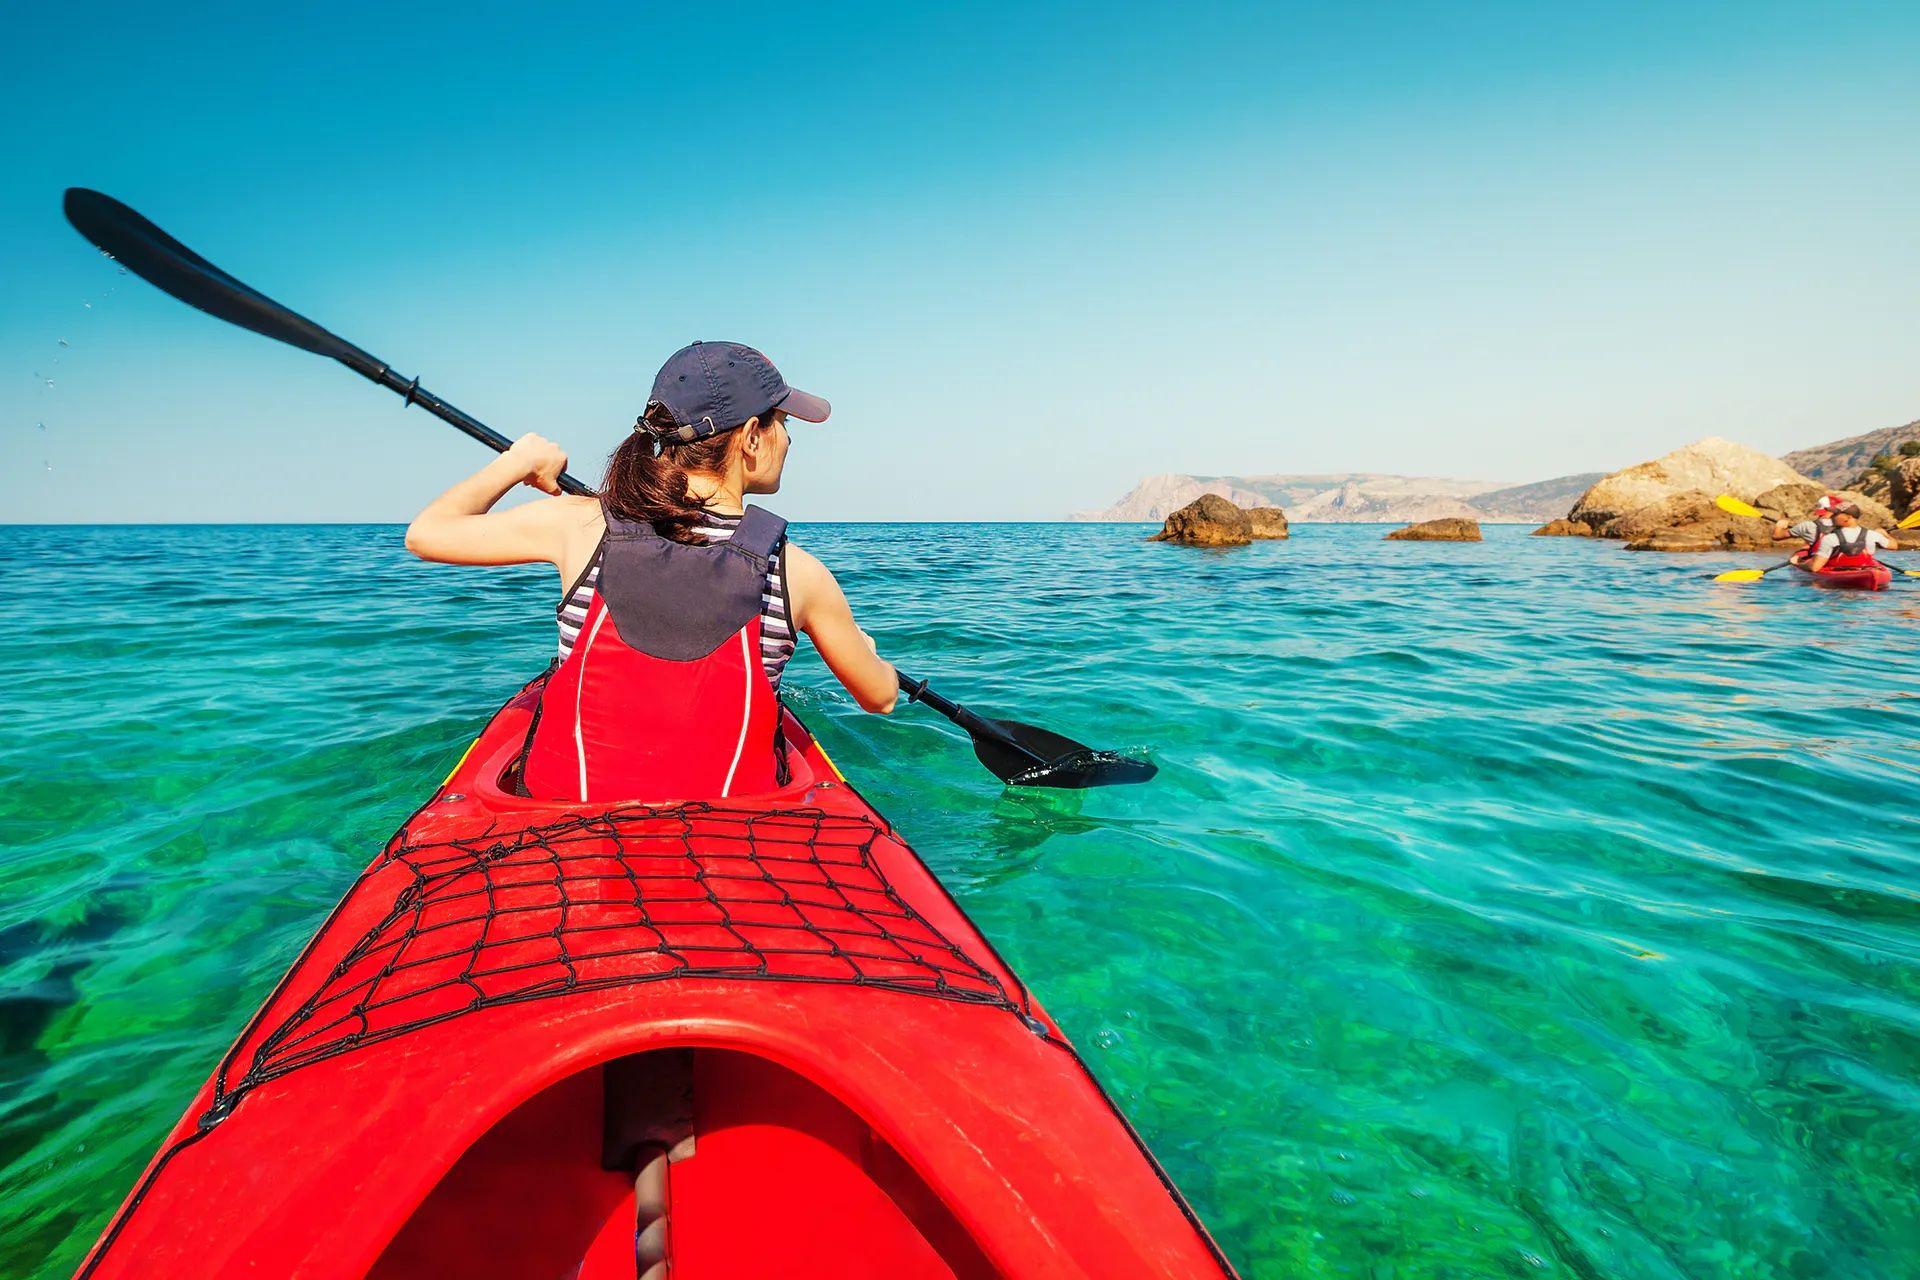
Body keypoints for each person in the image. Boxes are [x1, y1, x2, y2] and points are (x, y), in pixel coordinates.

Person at [403, 340, 899, 803]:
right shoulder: (796, 573)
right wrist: (870, 654)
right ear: (751, 436)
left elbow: (426, 533)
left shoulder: (580, 523)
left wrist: (517, 463)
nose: (788, 440)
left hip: (568, 831)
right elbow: (879, 697)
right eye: (783, 424)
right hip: (728, 835)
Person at [1804, 503, 1897, 573]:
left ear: (1848, 517)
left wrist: (1799, 564)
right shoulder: (1872, 534)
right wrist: (1885, 534)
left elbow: (1814, 567)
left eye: (1836, 514)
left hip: (1838, 575)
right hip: (1865, 571)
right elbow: (1894, 546)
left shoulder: (1830, 538)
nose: (1832, 516)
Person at [1772, 495, 1843, 561]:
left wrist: (1779, 525)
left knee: (1798, 553)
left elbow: (1777, 536)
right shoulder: (1847, 524)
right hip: (1840, 560)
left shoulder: (1807, 526)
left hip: (1818, 562)